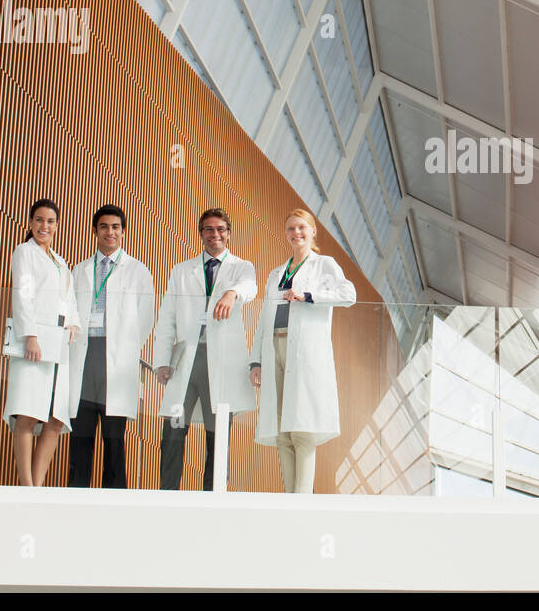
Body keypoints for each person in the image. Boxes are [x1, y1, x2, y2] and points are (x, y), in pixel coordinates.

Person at [249, 208, 356, 493]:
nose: (296, 233)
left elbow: (349, 295)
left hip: (305, 353)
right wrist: (256, 361)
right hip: (275, 348)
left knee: (302, 427)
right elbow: (263, 318)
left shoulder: (324, 264)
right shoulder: (276, 273)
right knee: (283, 429)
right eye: (291, 229)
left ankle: (302, 498)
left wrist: (308, 296)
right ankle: (289, 497)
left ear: (312, 231)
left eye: (301, 228)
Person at [153, 208, 257, 490]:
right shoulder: (181, 270)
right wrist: (162, 360)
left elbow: (250, 287)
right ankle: (168, 493)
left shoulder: (241, 267)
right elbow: (167, 318)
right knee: (173, 429)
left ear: (229, 233)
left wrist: (231, 293)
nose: (215, 235)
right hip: (188, 359)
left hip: (220, 363)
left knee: (217, 434)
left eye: (221, 229)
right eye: (209, 230)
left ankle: (212, 497)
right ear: (201, 235)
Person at [66, 205, 155, 488]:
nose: (110, 232)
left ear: (123, 231)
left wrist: (126, 348)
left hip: (116, 358)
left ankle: (115, 500)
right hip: (85, 353)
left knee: (114, 439)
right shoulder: (79, 271)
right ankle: (76, 497)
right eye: (104, 226)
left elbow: (146, 317)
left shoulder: (138, 271)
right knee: (80, 434)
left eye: (115, 227)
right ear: (95, 230)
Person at [4, 198, 80, 486]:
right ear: (31, 223)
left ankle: (37, 485)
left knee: (55, 418)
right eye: (38, 220)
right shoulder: (24, 252)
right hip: (33, 343)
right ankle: (26, 485)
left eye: (49, 221)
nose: (44, 226)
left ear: (57, 226)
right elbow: (22, 295)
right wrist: (31, 336)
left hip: (59, 344)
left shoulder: (60, 261)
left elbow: (68, 299)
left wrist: (72, 322)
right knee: (27, 412)